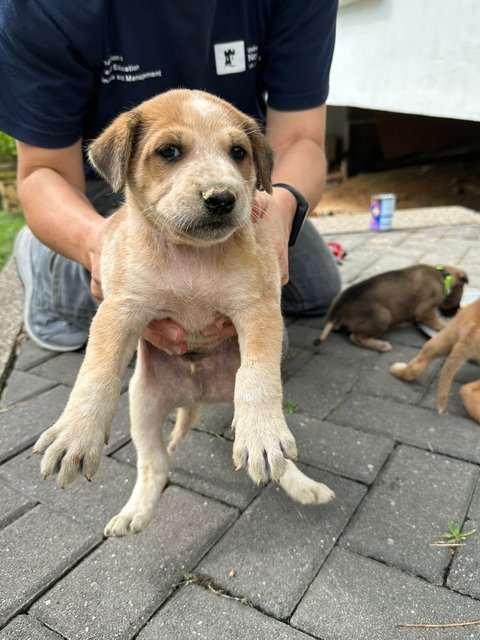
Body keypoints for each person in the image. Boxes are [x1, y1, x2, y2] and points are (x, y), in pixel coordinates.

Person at [0, 0, 341, 354]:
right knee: (146, 319)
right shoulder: (43, 7)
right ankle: (49, 265)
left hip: (230, 184)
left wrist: (281, 211)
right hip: (116, 184)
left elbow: (301, 139)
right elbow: (45, 170)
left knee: (315, 289)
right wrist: (98, 245)